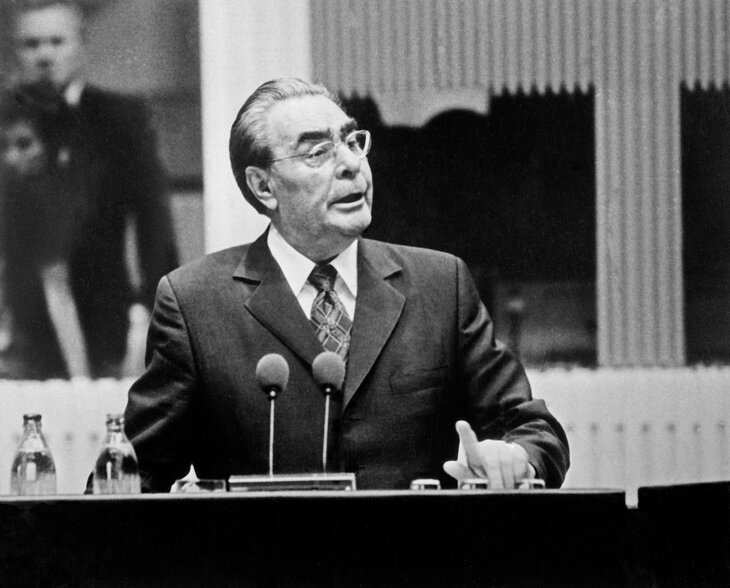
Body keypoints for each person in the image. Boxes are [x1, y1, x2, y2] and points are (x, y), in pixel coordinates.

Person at [123, 78, 569, 492]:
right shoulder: (194, 303)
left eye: (353, 142)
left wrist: (518, 459)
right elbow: (133, 479)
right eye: (318, 153)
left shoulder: (439, 285)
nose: (353, 165)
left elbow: (532, 428)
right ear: (263, 186)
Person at [3, 0, 178, 378]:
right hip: (21, 330)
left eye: (56, 42)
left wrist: (147, 315)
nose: (44, 55)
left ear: (81, 45)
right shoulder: (6, 123)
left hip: (106, 324)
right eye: (32, 44)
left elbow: (153, 223)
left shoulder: (120, 119)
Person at [0, 82, 93, 378]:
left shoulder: (53, 200)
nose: (11, 157)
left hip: (35, 358)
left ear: (50, 145)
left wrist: (81, 381)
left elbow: (57, 292)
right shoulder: (12, 195)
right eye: (3, 146)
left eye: (24, 144)